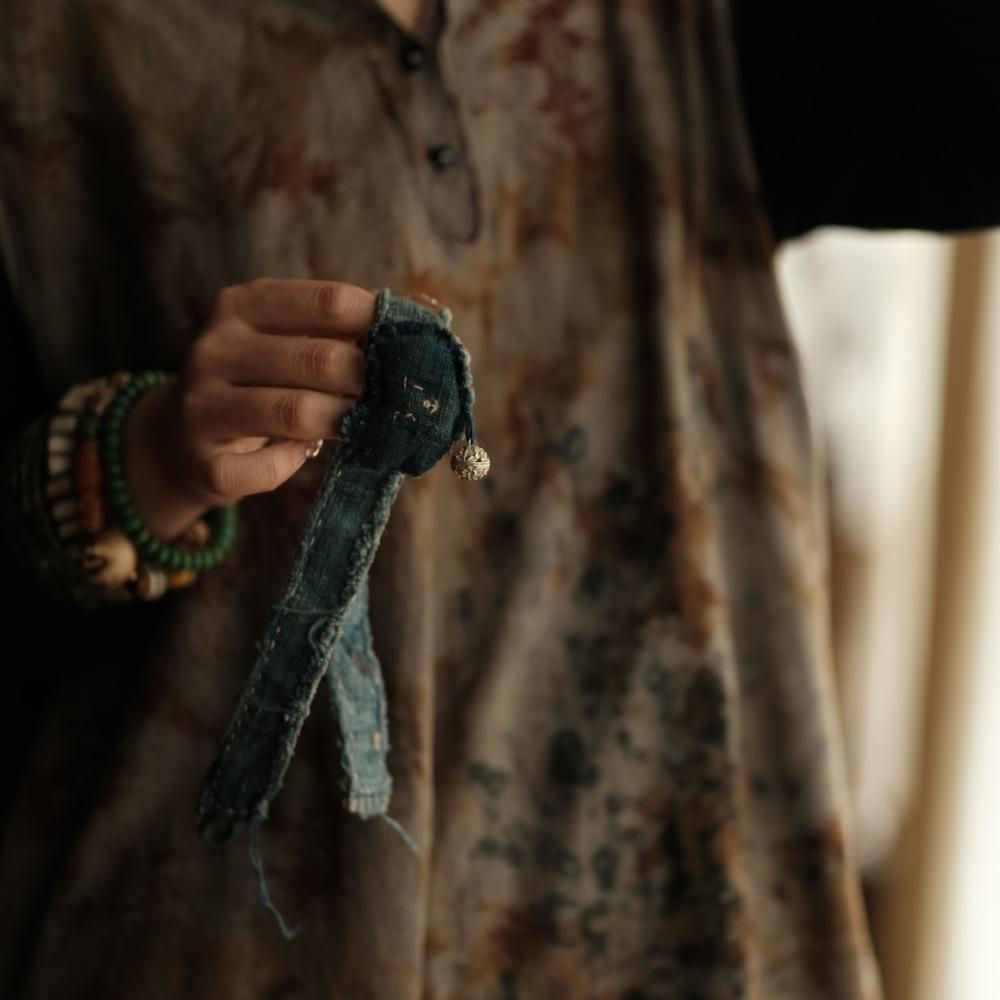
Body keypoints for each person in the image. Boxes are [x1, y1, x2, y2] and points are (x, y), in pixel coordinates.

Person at [1, 1, 996, 996]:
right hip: (253, 932)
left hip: (681, 902)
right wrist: (144, 458)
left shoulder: (697, 30)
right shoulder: (50, 46)